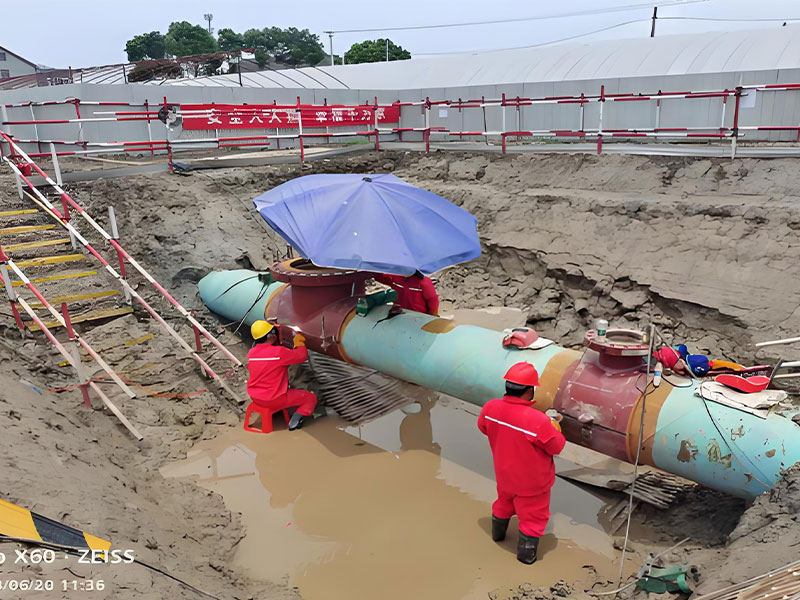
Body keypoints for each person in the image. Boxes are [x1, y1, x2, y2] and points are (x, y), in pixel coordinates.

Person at [477, 362, 566, 564]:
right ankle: (526, 557)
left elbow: (483, 427)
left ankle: (498, 536)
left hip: (504, 476)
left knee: (503, 504)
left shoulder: (490, 408)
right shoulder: (538, 421)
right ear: (529, 391)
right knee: (533, 519)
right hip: (532, 485)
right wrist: (554, 424)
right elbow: (556, 446)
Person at [246, 320, 318, 431]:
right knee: (311, 398)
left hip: (256, 397)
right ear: (271, 335)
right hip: (274, 399)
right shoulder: (278, 353)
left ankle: (277, 412)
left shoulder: (251, 354)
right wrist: (299, 342)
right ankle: (294, 424)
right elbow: (301, 355)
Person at [374, 270, 440, 316]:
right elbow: (379, 276)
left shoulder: (423, 282)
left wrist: (431, 317)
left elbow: (433, 301)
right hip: (399, 314)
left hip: (419, 316)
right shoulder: (395, 277)